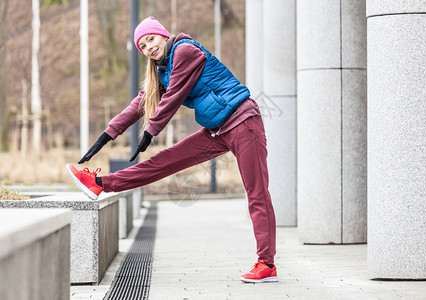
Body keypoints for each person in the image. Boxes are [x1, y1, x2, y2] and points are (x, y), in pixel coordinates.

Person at [66, 16, 277, 283]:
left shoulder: (186, 51)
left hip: (242, 121)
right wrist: (107, 134)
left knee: (256, 192)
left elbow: (175, 96)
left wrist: (150, 132)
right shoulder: (161, 70)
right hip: (217, 130)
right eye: (143, 45)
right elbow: (140, 104)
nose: (149, 47)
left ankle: (266, 263)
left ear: (163, 35)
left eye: (151, 39)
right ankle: (100, 184)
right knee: (163, 161)